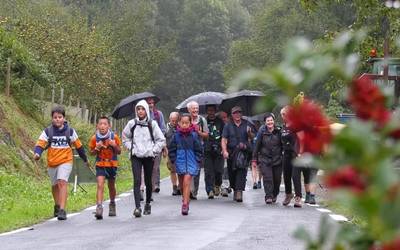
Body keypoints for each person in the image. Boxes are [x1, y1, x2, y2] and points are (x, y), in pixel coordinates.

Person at [34, 106, 88, 220]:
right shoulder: (48, 131)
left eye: (60, 117)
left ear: (64, 118)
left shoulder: (70, 131)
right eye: (55, 117)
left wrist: (85, 159)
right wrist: (37, 154)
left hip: (66, 160)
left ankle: (62, 210)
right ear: (52, 119)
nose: (57, 119)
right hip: (52, 162)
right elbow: (40, 144)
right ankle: (57, 205)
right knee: (54, 186)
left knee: (62, 182)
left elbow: (79, 146)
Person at [122, 100, 165, 218]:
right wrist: (131, 148)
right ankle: (137, 207)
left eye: (142, 109)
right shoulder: (132, 124)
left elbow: (161, 140)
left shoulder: (152, 124)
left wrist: (154, 150)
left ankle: (147, 203)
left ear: (146, 110)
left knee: (148, 181)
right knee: (136, 180)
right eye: (138, 109)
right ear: (136, 111)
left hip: (149, 155)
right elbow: (125, 137)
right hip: (136, 155)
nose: (140, 111)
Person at [168, 114, 203, 215]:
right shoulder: (176, 136)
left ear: (190, 123)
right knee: (182, 185)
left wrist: (197, 159)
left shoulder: (194, 135)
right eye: (182, 123)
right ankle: (185, 198)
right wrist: (174, 160)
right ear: (179, 123)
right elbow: (172, 149)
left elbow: (199, 149)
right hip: (180, 162)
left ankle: (185, 204)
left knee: (187, 180)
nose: (184, 125)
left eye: (186, 123)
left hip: (191, 162)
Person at [89, 116, 121, 219]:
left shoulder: (114, 137)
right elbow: (92, 153)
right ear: (97, 126)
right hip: (100, 164)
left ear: (109, 126)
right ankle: (99, 207)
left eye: (105, 124)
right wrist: (96, 148)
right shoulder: (94, 138)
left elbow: (119, 151)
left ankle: (112, 204)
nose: (102, 126)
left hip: (112, 164)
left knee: (111, 185)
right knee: (100, 184)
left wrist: (114, 145)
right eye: (100, 124)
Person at [221, 106, 254, 202]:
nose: (237, 114)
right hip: (232, 153)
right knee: (232, 173)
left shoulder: (247, 124)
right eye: (235, 113)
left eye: (239, 112)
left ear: (241, 113)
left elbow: (252, 138)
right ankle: (235, 189)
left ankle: (239, 191)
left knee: (242, 171)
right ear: (232, 115)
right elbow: (224, 139)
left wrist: (249, 133)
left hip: (243, 153)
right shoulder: (228, 125)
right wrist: (225, 151)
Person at [252, 113, 283, 204]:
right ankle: (268, 196)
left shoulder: (279, 131)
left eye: (271, 120)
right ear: (265, 122)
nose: (270, 122)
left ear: (274, 121)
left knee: (277, 180)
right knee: (268, 178)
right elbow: (256, 145)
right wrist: (254, 159)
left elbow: (283, 145)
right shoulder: (262, 131)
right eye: (268, 121)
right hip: (265, 159)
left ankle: (275, 194)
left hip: (277, 159)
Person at [187, 101, 208, 200]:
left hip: (198, 148)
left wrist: (198, 131)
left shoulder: (202, 120)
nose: (195, 110)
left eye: (196, 108)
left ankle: (194, 191)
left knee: (196, 170)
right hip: (187, 148)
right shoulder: (186, 119)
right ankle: (189, 190)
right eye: (193, 108)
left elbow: (206, 135)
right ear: (189, 110)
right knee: (188, 170)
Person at [204, 105, 225, 199]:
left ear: (215, 111)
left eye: (212, 110)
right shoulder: (203, 121)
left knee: (218, 170)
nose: (211, 112)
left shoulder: (220, 122)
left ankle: (217, 185)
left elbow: (224, 136)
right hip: (207, 149)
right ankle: (210, 190)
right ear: (207, 111)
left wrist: (223, 148)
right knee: (208, 171)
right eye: (209, 110)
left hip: (218, 149)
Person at [146, 97, 166, 193]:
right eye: (149, 103)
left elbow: (163, 128)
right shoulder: (142, 115)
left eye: (152, 103)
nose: (151, 105)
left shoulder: (158, 114)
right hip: (146, 144)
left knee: (155, 165)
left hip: (157, 142)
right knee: (147, 164)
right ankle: (148, 183)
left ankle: (156, 184)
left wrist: (161, 142)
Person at [292, 131, 318, 207]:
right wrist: (296, 153)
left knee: (311, 176)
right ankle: (302, 195)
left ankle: (311, 196)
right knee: (299, 176)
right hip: (298, 157)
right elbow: (292, 143)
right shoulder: (296, 131)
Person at [280, 106, 297, 206]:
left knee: (295, 176)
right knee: (286, 176)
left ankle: (298, 196)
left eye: (284, 114)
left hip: (294, 153)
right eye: (282, 114)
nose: (283, 116)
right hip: (285, 154)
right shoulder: (283, 126)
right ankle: (288, 194)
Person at [164, 111, 180, 196]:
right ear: (169, 119)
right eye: (172, 120)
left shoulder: (181, 126)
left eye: (176, 120)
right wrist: (164, 149)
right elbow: (163, 139)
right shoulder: (166, 127)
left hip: (180, 151)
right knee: (172, 169)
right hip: (170, 151)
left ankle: (180, 187)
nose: (174, 122)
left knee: (180, 170)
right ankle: (174, 187)